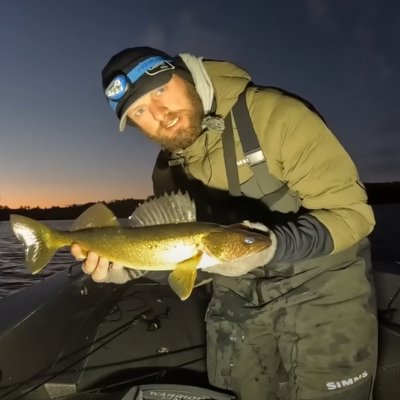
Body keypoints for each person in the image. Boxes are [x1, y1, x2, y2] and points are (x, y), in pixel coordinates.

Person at [71, 47, 377, 400]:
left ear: (183, 74)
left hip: (322, 280)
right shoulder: (168, 170)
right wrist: (129, 269)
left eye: (159, 90)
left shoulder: (277, 117)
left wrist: (275, 246)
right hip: (235, 292)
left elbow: (354, 215)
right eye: (139, 111)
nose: (159, 114)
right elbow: (192, 262)